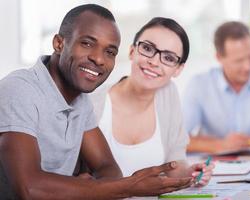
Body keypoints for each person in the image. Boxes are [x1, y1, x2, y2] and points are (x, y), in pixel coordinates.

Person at [0, 4, 193, 199]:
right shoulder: (19, 89)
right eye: (87, 43)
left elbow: (109, 168)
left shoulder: (80, 100)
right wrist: (127, 187)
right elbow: (30, 188)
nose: (99, 59)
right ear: (59, 43)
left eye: (110, 52)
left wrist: (90, 188)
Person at [91, 17, 213, 185]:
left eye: (169, 58)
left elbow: (175, 162)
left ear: (178, 69)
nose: (154, 62)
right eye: (147, 48)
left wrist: (189, 173)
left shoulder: (168, 94)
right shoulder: (93, 100)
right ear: (132, 51)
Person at [182, 21, 250, 153]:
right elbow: (177, 139)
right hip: (212, 167)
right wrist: (219, 145)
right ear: (219, 57)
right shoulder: (199, 85)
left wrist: (243, 143)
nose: (248, 66)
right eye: (239, 60)